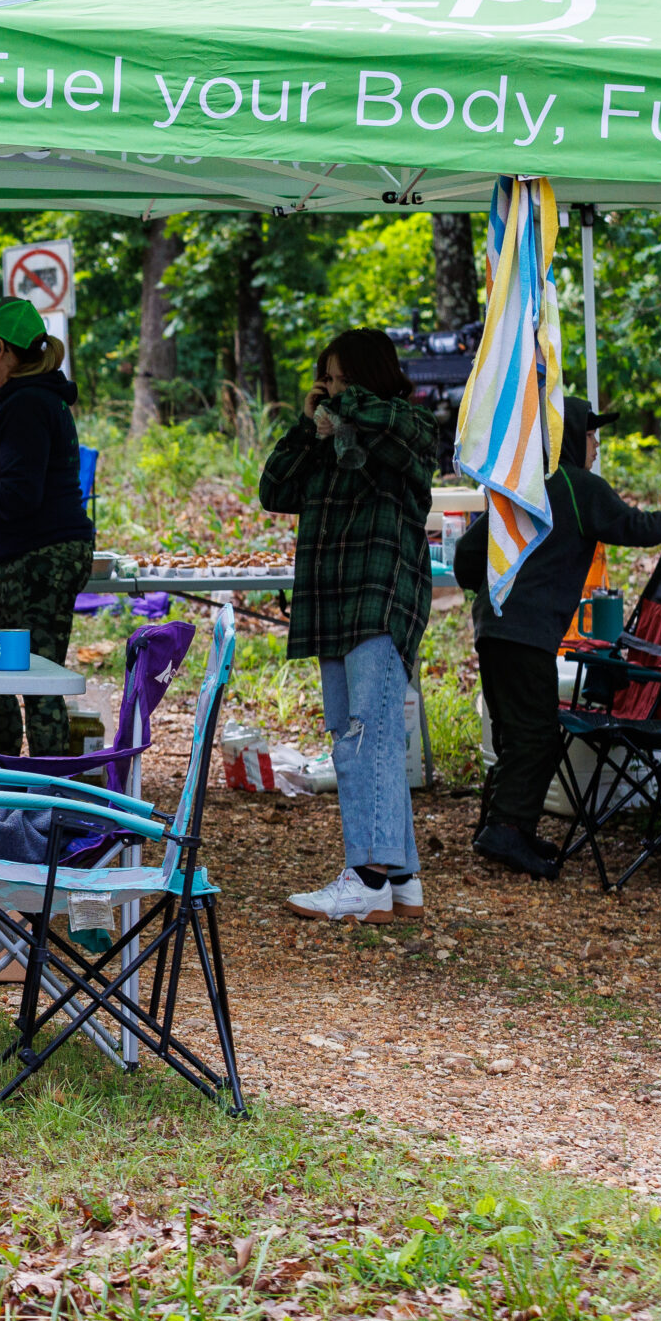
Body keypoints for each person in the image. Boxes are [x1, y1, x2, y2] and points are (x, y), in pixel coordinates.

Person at [458, 400, 661, 878]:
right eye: (593, 437)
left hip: (493, 629)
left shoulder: (518, 486)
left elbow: (468, 556)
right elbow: (641, 528)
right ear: (573, 437)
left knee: (517, 731)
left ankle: (507, 826)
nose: (597, 447)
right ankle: (505, 832)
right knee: (534, 735)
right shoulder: (578, 488)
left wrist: (497, 595)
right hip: (526, 633)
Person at [259, 329, 436, 925]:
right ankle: (402, 881)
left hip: (381, 595)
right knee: (351, 734)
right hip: (332, 600)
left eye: (339, 378)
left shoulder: (407, 426)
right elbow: (273, 488)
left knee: (370, 735)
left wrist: (344, 408)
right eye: (326, 379)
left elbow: (397, 426)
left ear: (365, 378)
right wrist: (310, 426)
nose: (329, 390)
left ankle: (366, 878)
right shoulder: (329, 436)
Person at [0, 299, 97, 756]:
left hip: (42, 560)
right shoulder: (19, 398)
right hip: (24, 559)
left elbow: (18, 496)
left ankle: (49, 797)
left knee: (38, 676)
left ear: (3, 350)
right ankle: (1, 772)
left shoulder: (29, 404)